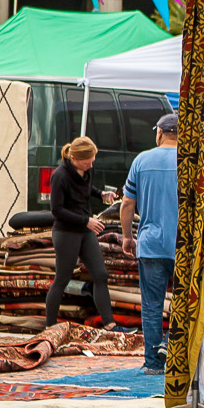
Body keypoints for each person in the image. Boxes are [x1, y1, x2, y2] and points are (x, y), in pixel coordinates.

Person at [45, 136, 125, 333]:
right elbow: (57, 210)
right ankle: (50, 325)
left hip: (85, 230)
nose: (91, 164)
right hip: (66, 232)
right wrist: (86, 221)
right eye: (87, 161)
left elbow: (86, 189)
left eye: (92, 160)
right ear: (74, 158)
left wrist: (101, 195)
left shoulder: (88, 170)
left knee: (100, 274)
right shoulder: (60, 176)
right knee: (62, 278)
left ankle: (109, 323)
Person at [120, 114, 179, 374]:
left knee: (152, 305)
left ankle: (153, 362)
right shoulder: (191, 162)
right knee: (187, 301)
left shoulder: (142, 161)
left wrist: (127, 237)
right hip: (184, 244)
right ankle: (176, 351)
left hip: (152, 243)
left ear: (159, 133)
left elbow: (126, 204)